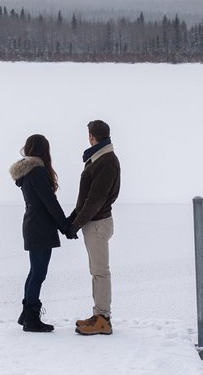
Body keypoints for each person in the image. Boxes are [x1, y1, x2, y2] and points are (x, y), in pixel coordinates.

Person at [10, 134, 76, 332]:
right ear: (44, 150)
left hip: (34, 224)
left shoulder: (28, 172)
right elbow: (50, 202)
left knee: (35, 272)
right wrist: (65, 226)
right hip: (40, 227)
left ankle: (27, 314)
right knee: (38, 273)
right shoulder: (37, 171)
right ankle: (31, 319)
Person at [68, 119, 121, 335]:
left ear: (92, 136)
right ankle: (98, 314)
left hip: (98, 223)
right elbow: (86, 199)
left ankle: (103, 319)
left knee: (100, 272)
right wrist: (71, 220)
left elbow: (94, 200)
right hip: (94, 222)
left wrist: (75, 223)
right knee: (96, 271)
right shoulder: (99, 158)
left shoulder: (106, 161)